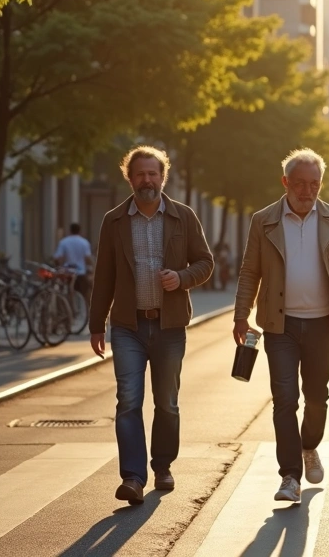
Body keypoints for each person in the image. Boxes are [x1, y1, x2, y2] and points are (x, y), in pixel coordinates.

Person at [232, 148, 329, 503]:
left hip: (322, 322)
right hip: (280, 325)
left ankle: (309, 446)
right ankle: (289, 476)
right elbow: (250, 271)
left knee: (317, 397)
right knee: (285, 399)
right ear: (285, 182)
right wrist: (241, 313)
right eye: (300, 184)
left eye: (314, 184)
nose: (307, 191)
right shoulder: (264, 220)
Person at [89, 145, 214, 505]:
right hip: (128, 326)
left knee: (167, 403)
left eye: (153, 174)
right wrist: (97, 324)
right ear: (130, 178)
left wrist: (182, 277)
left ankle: (162, 466)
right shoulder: (114, 221)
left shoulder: (183, 217)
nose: (147, 180)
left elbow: (205, 263)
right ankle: (132, 477)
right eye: (140, 174)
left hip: (170, 327)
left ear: (163, 177)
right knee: (128, 400)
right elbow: (104, 276)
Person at [54, 222, 93, 300]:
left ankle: (69, 308)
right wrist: (92, 267)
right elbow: (88, 258)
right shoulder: (84, 242)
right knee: (83, 294)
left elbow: (57, 257)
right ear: (80, 231)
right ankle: (82, 308)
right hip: (81, 272)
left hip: (67, 272)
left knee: (67, 295)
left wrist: (59, 266)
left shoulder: (64, 242)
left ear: (70, 230)